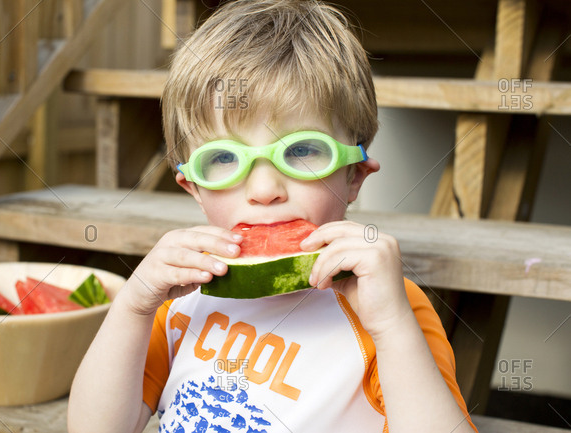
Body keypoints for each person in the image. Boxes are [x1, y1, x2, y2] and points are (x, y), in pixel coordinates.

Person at [68, 1, 478, 432]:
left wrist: (393, 327)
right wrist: (133, 307)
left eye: (301, 151)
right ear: (194, 189)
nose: (264, 191)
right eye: (224, 157)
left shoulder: (387, 306)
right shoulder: (176, 305)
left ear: (353, 176)